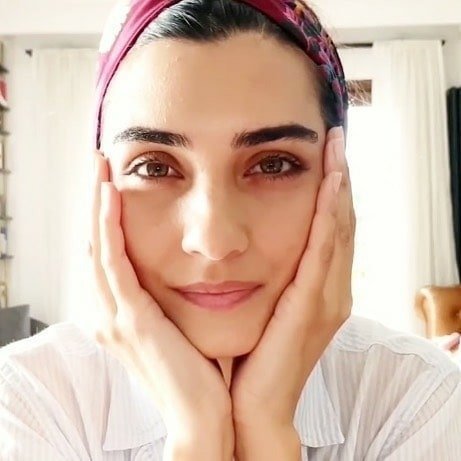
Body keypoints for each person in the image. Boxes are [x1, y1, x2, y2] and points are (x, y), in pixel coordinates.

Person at [1, 1, 460, 460]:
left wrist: (267, 426)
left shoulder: (421, 399)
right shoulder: (24, 402)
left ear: (335, 180)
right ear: (98, 191)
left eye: (273, 164)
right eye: (155, 167)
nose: (213, 241)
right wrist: (196, 433)